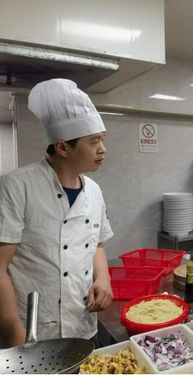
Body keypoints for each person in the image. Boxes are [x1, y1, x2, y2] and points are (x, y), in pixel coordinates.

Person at [0, 78, 113, 348]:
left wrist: (103, 277)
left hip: (83, 323)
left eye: (102, 140)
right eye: (93, 141)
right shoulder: (18, 186)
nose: (103, 149)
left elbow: (95, 241)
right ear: (62, 147)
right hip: (32, 332)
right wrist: (13, 333)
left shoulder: (94, 190)